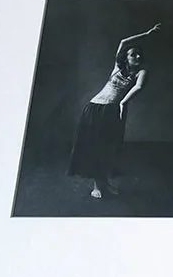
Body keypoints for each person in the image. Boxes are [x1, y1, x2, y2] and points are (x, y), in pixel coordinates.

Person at [68, 22, 160, 199]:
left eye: (139, 54)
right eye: (133, 54)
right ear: (126, 58)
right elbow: (124, 41)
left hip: (112, 110)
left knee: (108, 148)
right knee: (95, 147)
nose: (138, 56)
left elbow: (139, 87)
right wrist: (147, 33)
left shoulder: (141, 72)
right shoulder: (117, 68)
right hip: (94, 108)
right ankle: (97, 186)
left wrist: (123, 103)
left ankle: (105, 183)